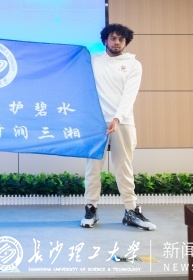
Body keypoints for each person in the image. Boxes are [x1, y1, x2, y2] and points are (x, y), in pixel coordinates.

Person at [81, 24, 156, 231]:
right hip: (96, 123)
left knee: (124, 167)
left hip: (122, 122)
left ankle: (131, 211)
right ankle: (91, 209)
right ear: (105, 40)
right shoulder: (92, 60)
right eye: (113, 38)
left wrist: (117, 118)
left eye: (121, 39)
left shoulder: (133, 65)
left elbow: (129, 95)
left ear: (125, 43)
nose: (117, 42)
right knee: (92, 167)